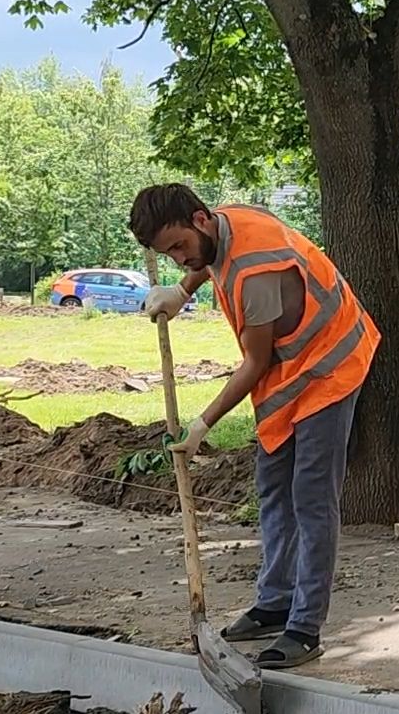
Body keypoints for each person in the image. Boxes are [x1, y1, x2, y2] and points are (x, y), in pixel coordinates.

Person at [127, 184, 377, 669]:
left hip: (330, 362)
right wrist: (182, 291)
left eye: (179, 247)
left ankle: (304, 628)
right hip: (290, 366)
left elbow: (255, 363)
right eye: (168, 254)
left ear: (199, 220)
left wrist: (201, 424)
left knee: (310, 496)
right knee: (272, 487)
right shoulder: (221, 223)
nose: (180, 259)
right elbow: (208, 259)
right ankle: (274, 602)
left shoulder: (257, 272)